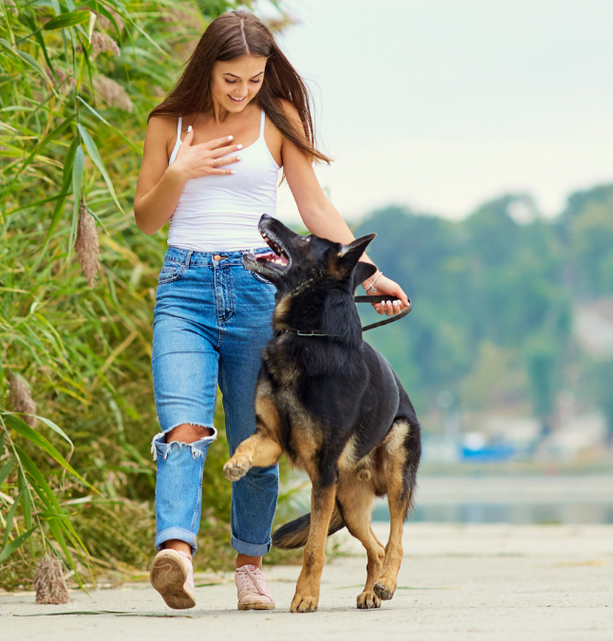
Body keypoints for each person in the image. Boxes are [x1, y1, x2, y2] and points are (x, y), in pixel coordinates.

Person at [132, 9, 410, 611]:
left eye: (254, 79)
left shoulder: (276, 123)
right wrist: (179, 171)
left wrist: (372, 274)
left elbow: (314, 208)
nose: (242, 90)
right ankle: (175, 553)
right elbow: (147, 219)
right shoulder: (168, 124)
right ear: (208, 68)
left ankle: (249, 568)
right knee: (183, 428)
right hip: (185, 289)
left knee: (261, 437)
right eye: (231, 78)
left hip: (258, 293)